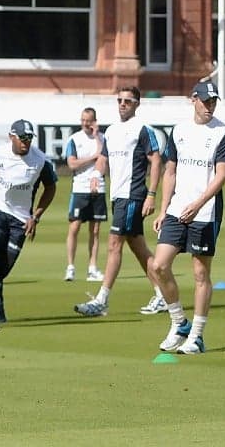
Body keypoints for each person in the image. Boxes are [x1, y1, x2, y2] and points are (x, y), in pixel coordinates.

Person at [149, 79, 225, 355]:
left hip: (206, 212)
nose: (209, 106)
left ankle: (197, 336)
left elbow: (222, 174)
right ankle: (179, 323)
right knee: (159, 266)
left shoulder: (224, 133)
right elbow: (170, 170)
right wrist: (164, 209)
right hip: (177, 209)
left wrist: (199, 204)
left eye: (213, 102)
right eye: (205, 101)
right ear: (193, 100)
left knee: (200, 273)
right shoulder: (179, 130)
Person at [75, 86, 169, 317]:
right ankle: (163, 294)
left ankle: (102, 299)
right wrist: (97, 176)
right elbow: (103, 159)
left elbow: (155, 161)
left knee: (114, 244)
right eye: (120, 100)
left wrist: (151, 194)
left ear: (137, 104)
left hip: (133, 195)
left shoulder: (143, 130)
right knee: (139, 249)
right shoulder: (113, 131)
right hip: (117, 197)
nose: (123, 104)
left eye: (128, 100)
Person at [0, 119, 56, 329]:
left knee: (3, 270)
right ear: (11, 137)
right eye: (22, 138)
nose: (26, 142)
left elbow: (50, 188)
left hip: (20, 220)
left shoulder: (40, 160)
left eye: (29, 138)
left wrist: (36, 216)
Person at [63, 106, 106, 283]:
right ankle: (71, 267)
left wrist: (97, 137)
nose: (86, 124)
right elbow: (72, 164)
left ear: (94, 121)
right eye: (83, 120)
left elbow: (104, 159)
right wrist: (92, 158)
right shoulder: (74, 139)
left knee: (95, 230)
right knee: (74, 228)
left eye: (89, 121)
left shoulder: (103, 139)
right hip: (80, 188)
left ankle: (92, 268)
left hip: (99, 188)